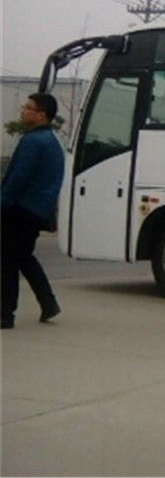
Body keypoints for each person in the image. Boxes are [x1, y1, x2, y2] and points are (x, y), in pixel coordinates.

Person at [1, 93, 64, 329]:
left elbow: (18, 178)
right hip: (38, 209)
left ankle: (5, 314)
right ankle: (48, 304)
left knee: (7, 261)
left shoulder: (33, 142)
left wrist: (2, 202)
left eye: (29, 108)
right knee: (23, 257)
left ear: (41, 115)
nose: (23, 111)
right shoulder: (51, 140)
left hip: (21, 209)